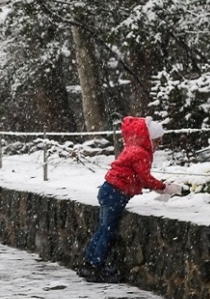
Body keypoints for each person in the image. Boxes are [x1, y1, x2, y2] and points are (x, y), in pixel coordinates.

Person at [77, 116, 182, 283]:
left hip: (108, 189)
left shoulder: (132, 148)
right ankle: (97, 266)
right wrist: (164, 188)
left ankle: (89, 263)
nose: (158, 145)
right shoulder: (141, 153)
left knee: (102, 229)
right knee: (108, 232)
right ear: (149, 138)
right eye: (157, 140)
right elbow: (144, 178)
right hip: (116, 194)